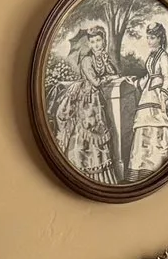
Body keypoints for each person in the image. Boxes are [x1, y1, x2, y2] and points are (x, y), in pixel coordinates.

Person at [50, 25, 120, 181]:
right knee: (86, 132)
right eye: (93, 41)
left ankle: (103, 178)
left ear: (104, 41)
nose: (96, 44)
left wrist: (105, 61)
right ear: (89, 43)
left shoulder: (102, 56)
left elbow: (114, 72)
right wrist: (106, 78)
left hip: (97, 99)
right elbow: (95, 81)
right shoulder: (86, 59)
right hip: (85, 99)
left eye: (99, 40)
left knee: (99, 131)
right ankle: (83, 172)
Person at [127, 21, 168, 177]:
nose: (149, 41)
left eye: (152, 37)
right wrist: (136, 82)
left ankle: (154, 168)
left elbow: (167, 77)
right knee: (143, 130)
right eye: (148, 37)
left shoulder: (163, 56)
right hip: (147, 94)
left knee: (157, 130)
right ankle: (139, 169)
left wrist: (164, 96)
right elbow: (149, 76)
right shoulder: (152, 56)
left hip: (158, 97)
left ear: (160, 38)